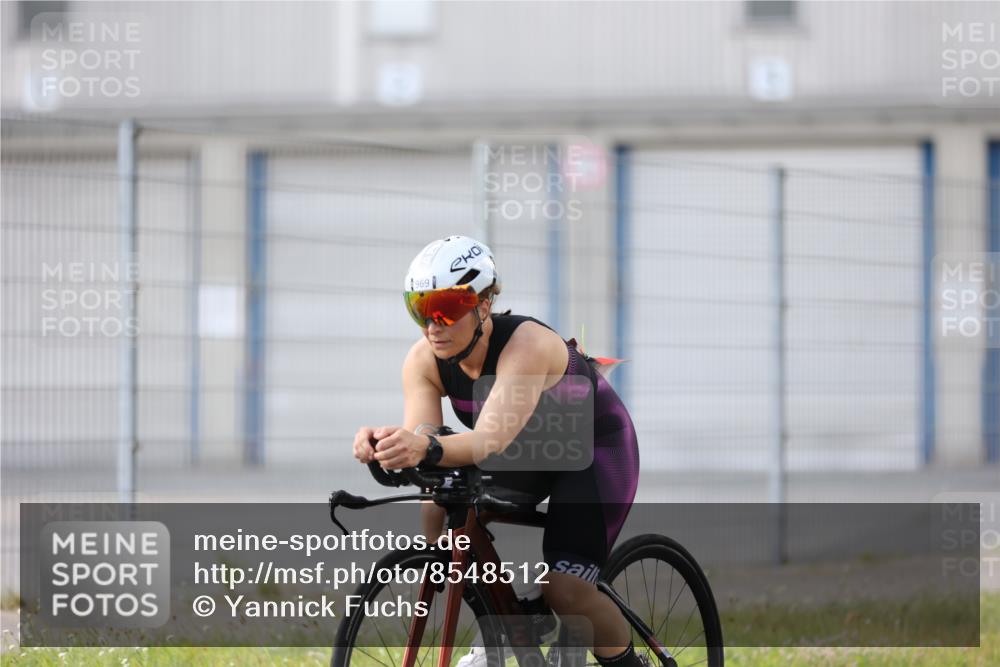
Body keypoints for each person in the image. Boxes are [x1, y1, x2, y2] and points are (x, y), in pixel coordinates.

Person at [352, 235, 644, 667]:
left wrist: (424, 447)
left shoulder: (525, 346)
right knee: (437, 509)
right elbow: (426, 433)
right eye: (419, 308)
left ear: (483, 304)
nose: (433, 325)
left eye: (446, 309)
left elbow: (488, 440)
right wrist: (392, 446)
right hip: (523, 452)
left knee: (566, 589)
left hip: (593, 453)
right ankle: (505, 623)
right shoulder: (423, 359)